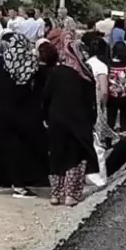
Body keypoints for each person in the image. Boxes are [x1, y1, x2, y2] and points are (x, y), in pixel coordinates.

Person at [0, 33, 50, 197]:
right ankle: (18, 185)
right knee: (18, 149)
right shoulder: (32, 65)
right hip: (23, 113)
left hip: (0, 111)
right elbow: (38, 90)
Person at [43, 37, 100, 206]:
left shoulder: (56, 72)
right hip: (78, 122)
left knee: (57, 154)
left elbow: (46, 97)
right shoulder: (85, 75)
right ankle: (71, 195)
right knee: (75, 157)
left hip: (56, 120)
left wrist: (45, 117)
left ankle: (55, 194)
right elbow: (91, 103)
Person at [106, 41, 126, 132]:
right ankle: (124, 140)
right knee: (125, 120)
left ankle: (108, 141)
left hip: (112, 95)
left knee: (110, 119)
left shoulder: (108, 63)